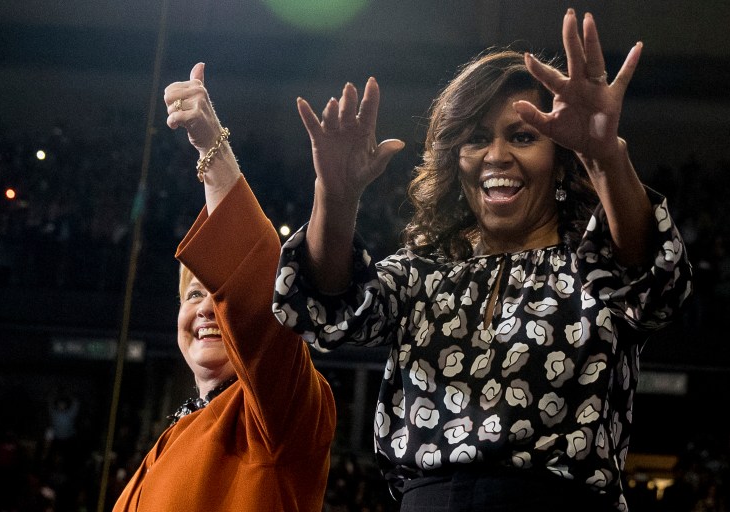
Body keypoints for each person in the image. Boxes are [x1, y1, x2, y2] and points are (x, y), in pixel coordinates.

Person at [272, 8, 692, 512]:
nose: (496, 155)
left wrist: (604, 155)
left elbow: (653, 280)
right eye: (476, 137)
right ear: (455, 158)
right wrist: (335, 197)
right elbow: (330, 312)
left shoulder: (593, 270)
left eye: (522, 136)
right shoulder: (424, 272)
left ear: (561, 160)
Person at [112, 62, 337, 511]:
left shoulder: (280, 414)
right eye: (194, 294)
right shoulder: (178, 432)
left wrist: (211, 149)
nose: (207, 309)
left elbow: (257, 297)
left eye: (221, 295)